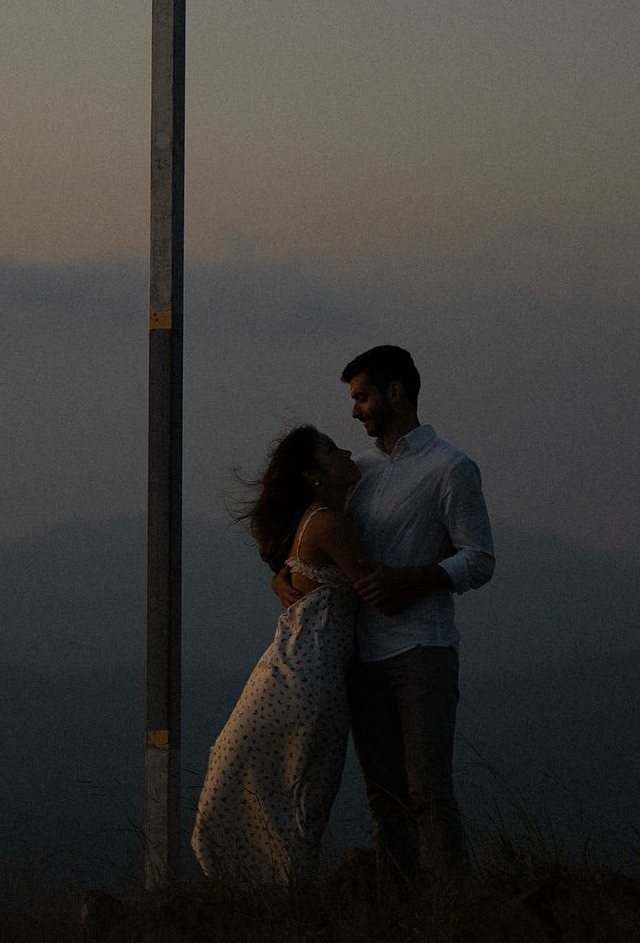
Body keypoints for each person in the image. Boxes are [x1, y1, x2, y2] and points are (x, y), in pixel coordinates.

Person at [278, 345, 494, 887]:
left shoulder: (452, 467)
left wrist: (411, 578)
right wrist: (283, 578)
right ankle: (401, 908)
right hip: (361, 655)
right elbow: (314, 539)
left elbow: (480, 559)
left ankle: (453, 907)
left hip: (423, 647)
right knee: (385, 798)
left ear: (396, 392)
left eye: (363, 396)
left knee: (428, 791)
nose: (355, 412)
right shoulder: (362, 473)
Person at [190, 425, 376, 885]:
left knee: (277, 784)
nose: (347, 452)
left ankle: (262, 887)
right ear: (313, 474)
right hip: (307, 678)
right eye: (332, 450)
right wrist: (448, 563)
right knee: (298, 790)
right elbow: (377, 586)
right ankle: (283, 887)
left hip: (291, 668)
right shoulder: (328, 524)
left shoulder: (315, 519)